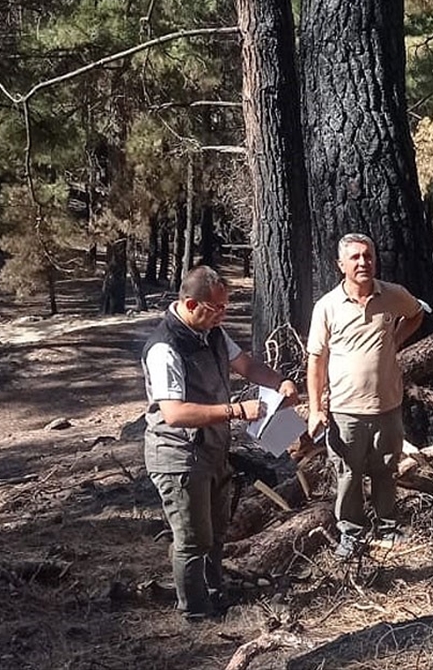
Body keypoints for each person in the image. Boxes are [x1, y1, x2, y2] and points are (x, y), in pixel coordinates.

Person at [142, 266, 299, 622]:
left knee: (214, 534)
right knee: (191, 539)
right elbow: (175, 413)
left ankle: (216, 595)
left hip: (212, 449)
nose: (223, 315)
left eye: (226, 308)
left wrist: (279, 382)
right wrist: (236, 410)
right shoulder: (166, 346)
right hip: (179, 455)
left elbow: (244, 364)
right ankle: (196, 612)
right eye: (217, 309)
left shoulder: (210, 332)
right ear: (191, 303)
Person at [307, 233, 424, 559]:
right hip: (346, 410)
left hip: (387, 405)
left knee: (386, 469)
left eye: (368, 256)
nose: (363, 262)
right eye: (355, 257)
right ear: (341, 265)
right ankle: (351, 534)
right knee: (348, 475)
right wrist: (316, 408)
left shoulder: (392, 295)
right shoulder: (327, 307)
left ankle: (387, 527)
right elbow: (316, 360)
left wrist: (395, 340)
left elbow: (416, 314)